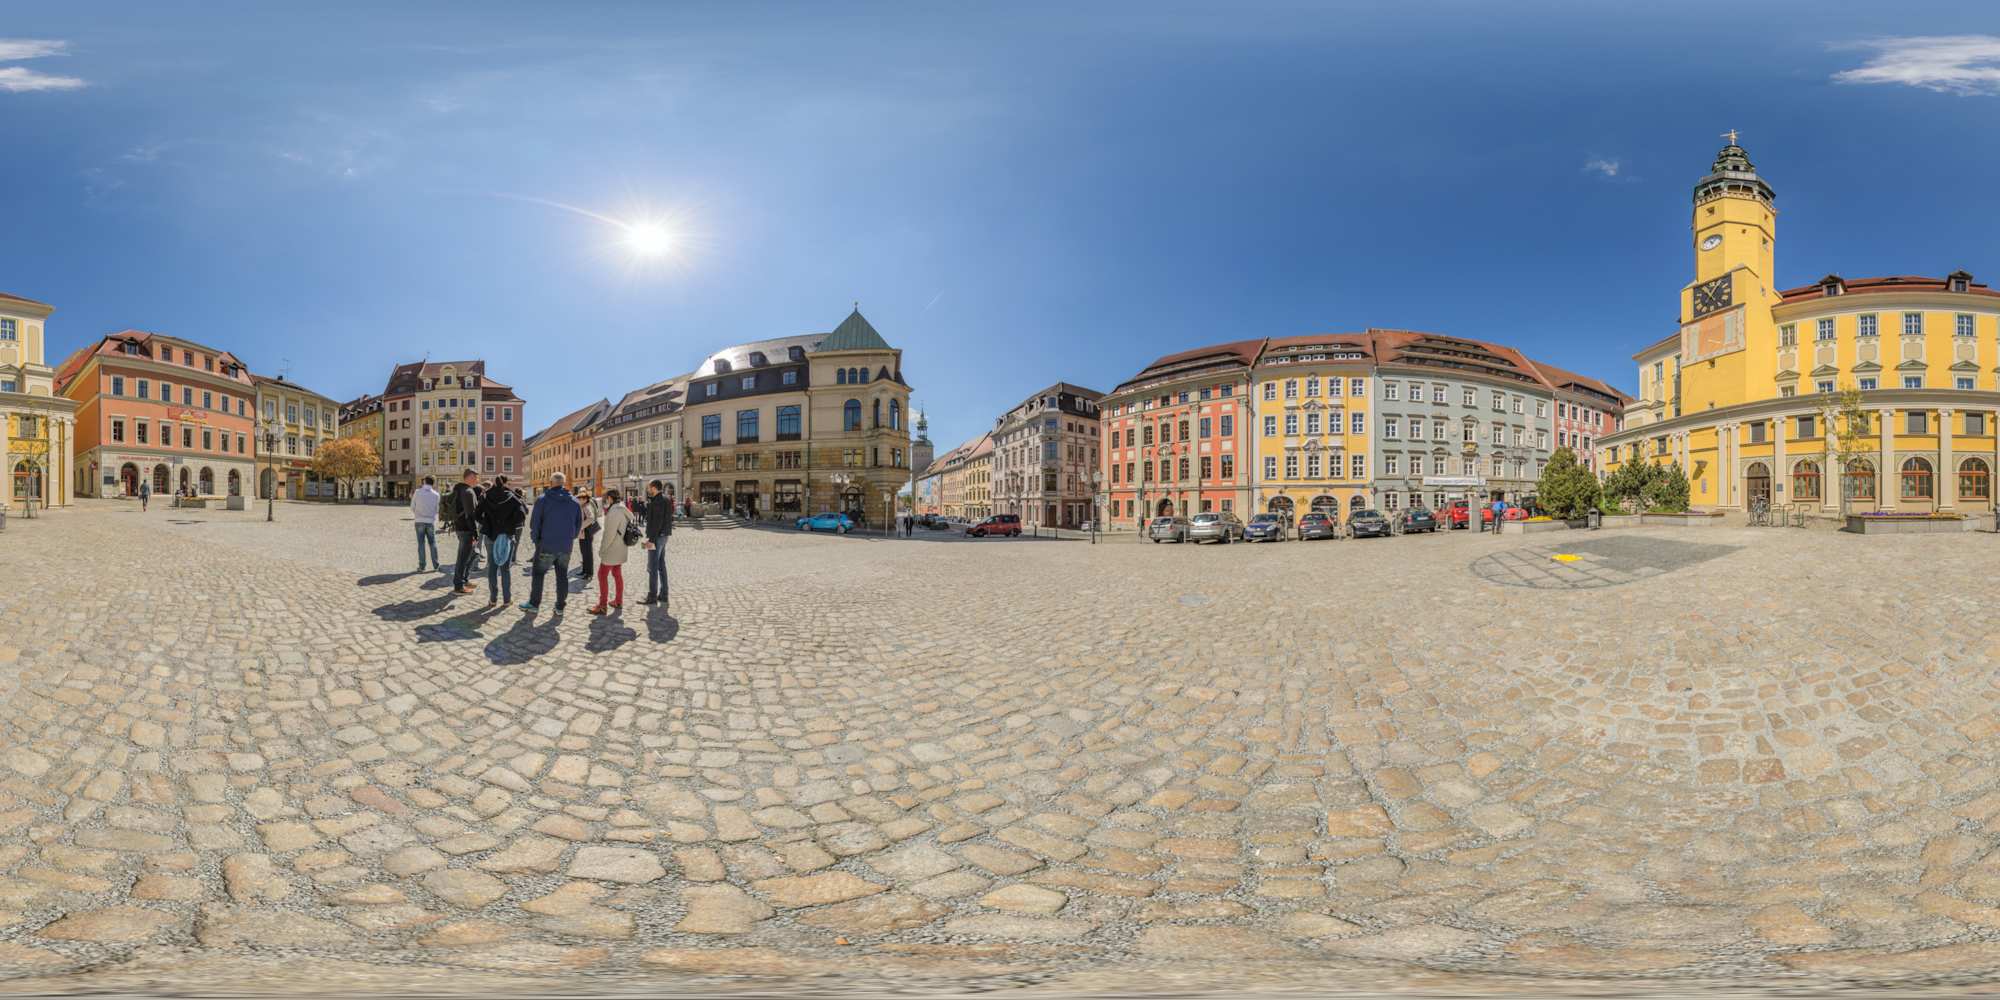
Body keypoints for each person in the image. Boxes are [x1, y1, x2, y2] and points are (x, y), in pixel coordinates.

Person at [522, 471, 582, 614]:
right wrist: (570, 537)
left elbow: (535, 524)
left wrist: (536, 541)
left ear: (551, 483)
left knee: (538, 574)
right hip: (565, 545)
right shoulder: (574, 501)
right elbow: (578, 524)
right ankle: (560, 606)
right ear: (563, 483)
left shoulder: (542, 499)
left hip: (546, 544)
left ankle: (534, 604)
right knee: (562, 576)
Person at [477, 475, 527, 609]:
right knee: (505, 569)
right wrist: (510, 525)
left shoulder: (486, 496)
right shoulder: (511, 496)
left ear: (493, 483)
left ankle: (493, 599)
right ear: (505, 483)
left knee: (492, 568)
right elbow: (522, 515)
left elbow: (476, 514)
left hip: (491, 536)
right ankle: (506, 599)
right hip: (506, 536)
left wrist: (486, 524)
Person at [591, 488, 632, 614]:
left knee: (602, 575)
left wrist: (602, 550)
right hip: (620, 547)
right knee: (617, 573)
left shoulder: (614, 511)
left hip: (612, 549)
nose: (605, 500)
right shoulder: (622, 508)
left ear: (610, 498)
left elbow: (609, 534)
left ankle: (602, 605)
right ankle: (618, 600)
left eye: (606, 498)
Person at [448, 469, 483, 594]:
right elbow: (470, 515)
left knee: (472, 554)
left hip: (460, 527)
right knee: (463, 558)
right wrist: (475, 533)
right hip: (466, 529)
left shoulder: (459, 489)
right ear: (470, 477)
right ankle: (458, 586)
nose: (477, 480)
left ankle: (464, 579)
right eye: (476, 477)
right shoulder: (468, 491)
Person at [640, 479, 674, 606]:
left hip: (657, 537)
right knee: (661, 565)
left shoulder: (657, 501)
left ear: (654, 488)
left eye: (649, 487)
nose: (648, 490)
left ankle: (652, 596)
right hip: (663, 536)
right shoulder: (665, 499)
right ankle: (664, 594)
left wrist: (651, 540)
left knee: (653, 567)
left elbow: (656, 522)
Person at [411, 476, 441, 572]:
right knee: (432, 543)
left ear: (424, 481)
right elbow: (437, 510)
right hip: (430, 521)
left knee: (421, 544)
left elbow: (412, 506)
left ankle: (422, 566)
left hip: (419, 520)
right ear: (433, 483)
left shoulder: (417, 492)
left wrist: (417, 513)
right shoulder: (436, 494)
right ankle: (436, 565)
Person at [575, 485, 600, 590]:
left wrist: (581, 526)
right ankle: (584, 570)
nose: (579, 500)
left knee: (588, 553)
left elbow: (591, 518)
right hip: (582, 534)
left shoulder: (586, 506)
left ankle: (589, 573)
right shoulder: (582, 506)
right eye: (579, 498)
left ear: (585, 499)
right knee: (583, 552)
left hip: (586, 533)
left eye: (580, 499)